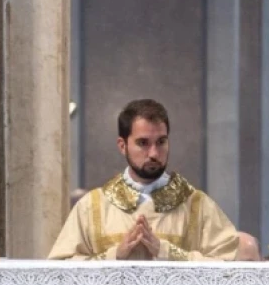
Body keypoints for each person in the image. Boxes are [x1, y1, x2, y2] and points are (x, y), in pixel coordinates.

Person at [49, 99, 241, 261]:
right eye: (143, 143)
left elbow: (230, 268)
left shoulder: (197, 206)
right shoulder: (92, 207)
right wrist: (115, 255)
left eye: (161, 142)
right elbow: (60, 271)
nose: (154, 153)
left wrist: (167, 252)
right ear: (122, 145)